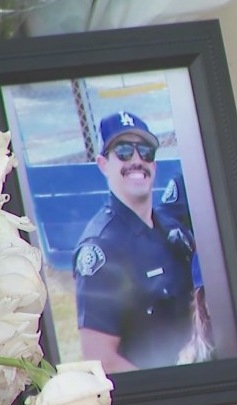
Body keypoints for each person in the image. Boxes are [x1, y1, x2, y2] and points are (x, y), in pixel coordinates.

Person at [74, 110, 206, 372]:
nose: (137, 160)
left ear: (154, 165)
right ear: (103, 164)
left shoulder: (174, 232)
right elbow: (102, 360)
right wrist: (168, 395)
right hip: (155, 399)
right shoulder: (102, 248)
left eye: (145, 152)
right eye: (123, 151)